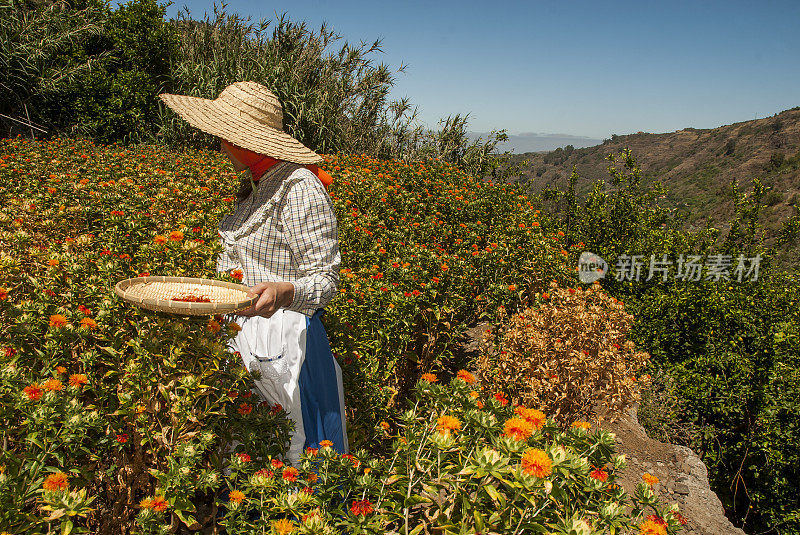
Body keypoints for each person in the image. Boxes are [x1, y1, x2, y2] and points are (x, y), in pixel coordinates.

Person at [158, 81, 348, 464]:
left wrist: (283, 291)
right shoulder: (260, 184)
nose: (220, 144)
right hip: (245, 338)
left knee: (298, 453)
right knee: (253, 453)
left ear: (241, 139)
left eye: (223, 135)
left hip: (287, 342)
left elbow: (325, 280)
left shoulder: (299, 187)